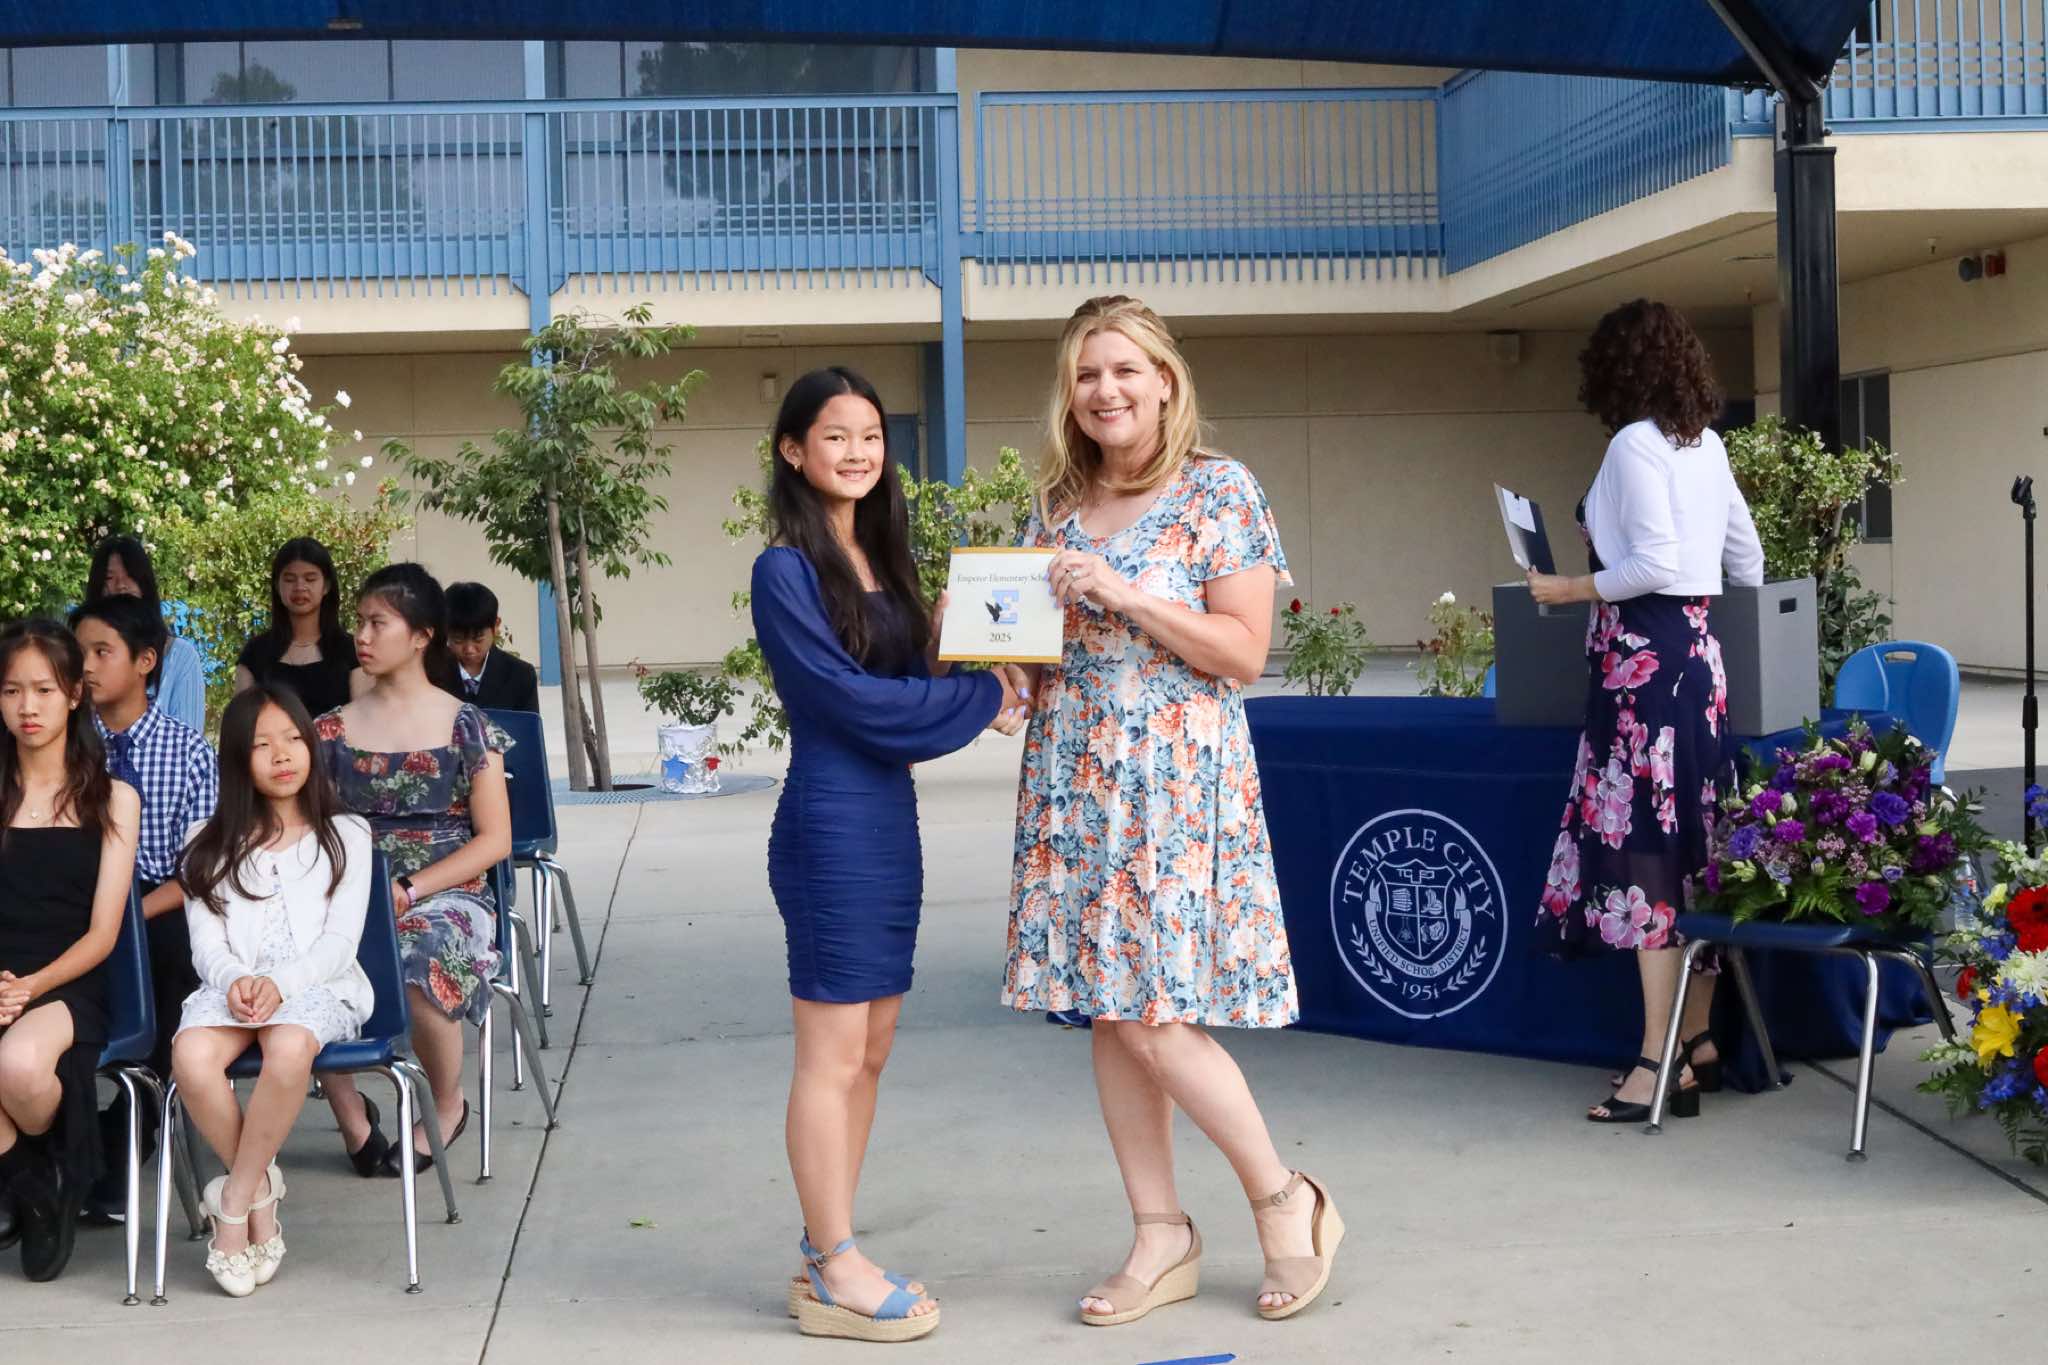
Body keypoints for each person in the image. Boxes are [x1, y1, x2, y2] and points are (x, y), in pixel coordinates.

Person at [999, 295, 1341, 1325]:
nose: (1104, 390)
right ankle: (1159, 1233)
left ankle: (1284, 1198)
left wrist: (1126, 593)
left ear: (1163, 380)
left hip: (1174, 784)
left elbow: (1242, 651)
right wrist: (1006, 673)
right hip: (1073, 782)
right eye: (1085, 374)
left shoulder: (1217, 489)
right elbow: (1031, 639)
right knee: (1111, 1013)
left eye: (1123, 370)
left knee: (1153, 1015)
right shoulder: (1055, 505)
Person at [751, 366, 1023, 1343]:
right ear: (794, 451)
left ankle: (829, 1246)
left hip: (886, 820)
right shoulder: (785, 569)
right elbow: (851, 704)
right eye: (836, 436)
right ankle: (835, 1264)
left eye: (871, 435)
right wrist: (985, 698)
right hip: (830, 822)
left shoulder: (879, 558)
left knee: (869, 1050)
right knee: (830, 1054)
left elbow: (902, 684)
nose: (859, 451)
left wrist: (956, 647)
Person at [1525, 298, 1766, 1123]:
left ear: (1615, 369)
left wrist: (1569, 586)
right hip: (1697, 660)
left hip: (1642, 666)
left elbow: (1654, 561)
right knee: (1694, 853)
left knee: (1648, 860)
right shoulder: (1707, 445)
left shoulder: (1633, 443)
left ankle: (1655, 1063)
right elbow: (1747, 558)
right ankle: (1697, 1044)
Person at [171, 685, 373, 1295]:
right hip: (233, 985)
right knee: (190, 1056)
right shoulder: (205, 841)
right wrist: (237, 980)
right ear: (239, 758)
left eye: (292, 738)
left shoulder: (347, 833)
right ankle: (262, 1186)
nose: (282, 754)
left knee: (288, 1046)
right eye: (262, 744)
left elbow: (340, 943)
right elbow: (206, 944)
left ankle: (234, 1203)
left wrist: (281, 984)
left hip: (316, 984)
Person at [313, 563, 510, 1178]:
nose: (362, 636)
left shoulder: (465, 725)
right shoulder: (329, 731)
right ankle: (352, 1115)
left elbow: (496, 839)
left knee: (418, 957)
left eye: (378, 623)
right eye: (360, 622)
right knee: (296, 960)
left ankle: (447, 1104)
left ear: (422, 636)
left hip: (448, 891)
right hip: (350, 889)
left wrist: (410, 887)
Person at [69, 595, 220, 1223]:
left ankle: (128, 1138)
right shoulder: (67, 749)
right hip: (75, 906)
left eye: (102, 652)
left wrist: (128, 917)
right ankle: (56, 1146)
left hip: (158, 905)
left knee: (174, 959)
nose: (86, 666)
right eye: (79, 653)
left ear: (145, 661)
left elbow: (201, 870)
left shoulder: (189, 752)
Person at [0, 620, 140, 1281]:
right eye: (11, 691)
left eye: (44, 690)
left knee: (19, 1065)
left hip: (70, 980)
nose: (27, 707)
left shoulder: (114, 799)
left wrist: (28, 987)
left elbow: (103, 934)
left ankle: (38, 1161)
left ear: (74, 695)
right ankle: (35, 1184)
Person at [88, 536, 206, 735]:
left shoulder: (180, 657)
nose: (121, 586)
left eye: (130, 576)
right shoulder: (80, 658)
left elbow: (188, 741)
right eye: (109, 578)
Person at [234, 539, 358, 719]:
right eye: (290, 579)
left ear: (326, 586)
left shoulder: (352, 650)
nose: (300, 587)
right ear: (277, 586)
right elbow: (240, 723)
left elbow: (364, 719)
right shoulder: (255, 653)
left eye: (310, 579)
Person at [440, 583, 540, 712]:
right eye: (458, 640)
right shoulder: (431, 674)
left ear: (496, 626)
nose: (469, 649)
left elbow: (528, 724)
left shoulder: (521, 675)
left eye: (478, 639)